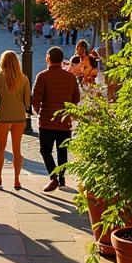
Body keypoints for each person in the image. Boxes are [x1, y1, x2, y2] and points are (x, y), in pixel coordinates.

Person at [32, 46, 81, 192]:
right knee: (62, 150)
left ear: (48, 58)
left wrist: (37, 111)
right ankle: (62, 178)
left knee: (45, 150)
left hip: (47, 120)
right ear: (61, 60)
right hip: (64, 121)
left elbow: (37, 98)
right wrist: (69, 111)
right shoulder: (71, 77)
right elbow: (76, 97)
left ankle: (53, 177)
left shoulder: (43, 76)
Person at [0, 49, 31, 189]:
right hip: (19, 117)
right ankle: (17, 180)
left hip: (3, 116)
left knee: (0, 148)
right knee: (17, 149)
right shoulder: (24, 78)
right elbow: (27, 102)